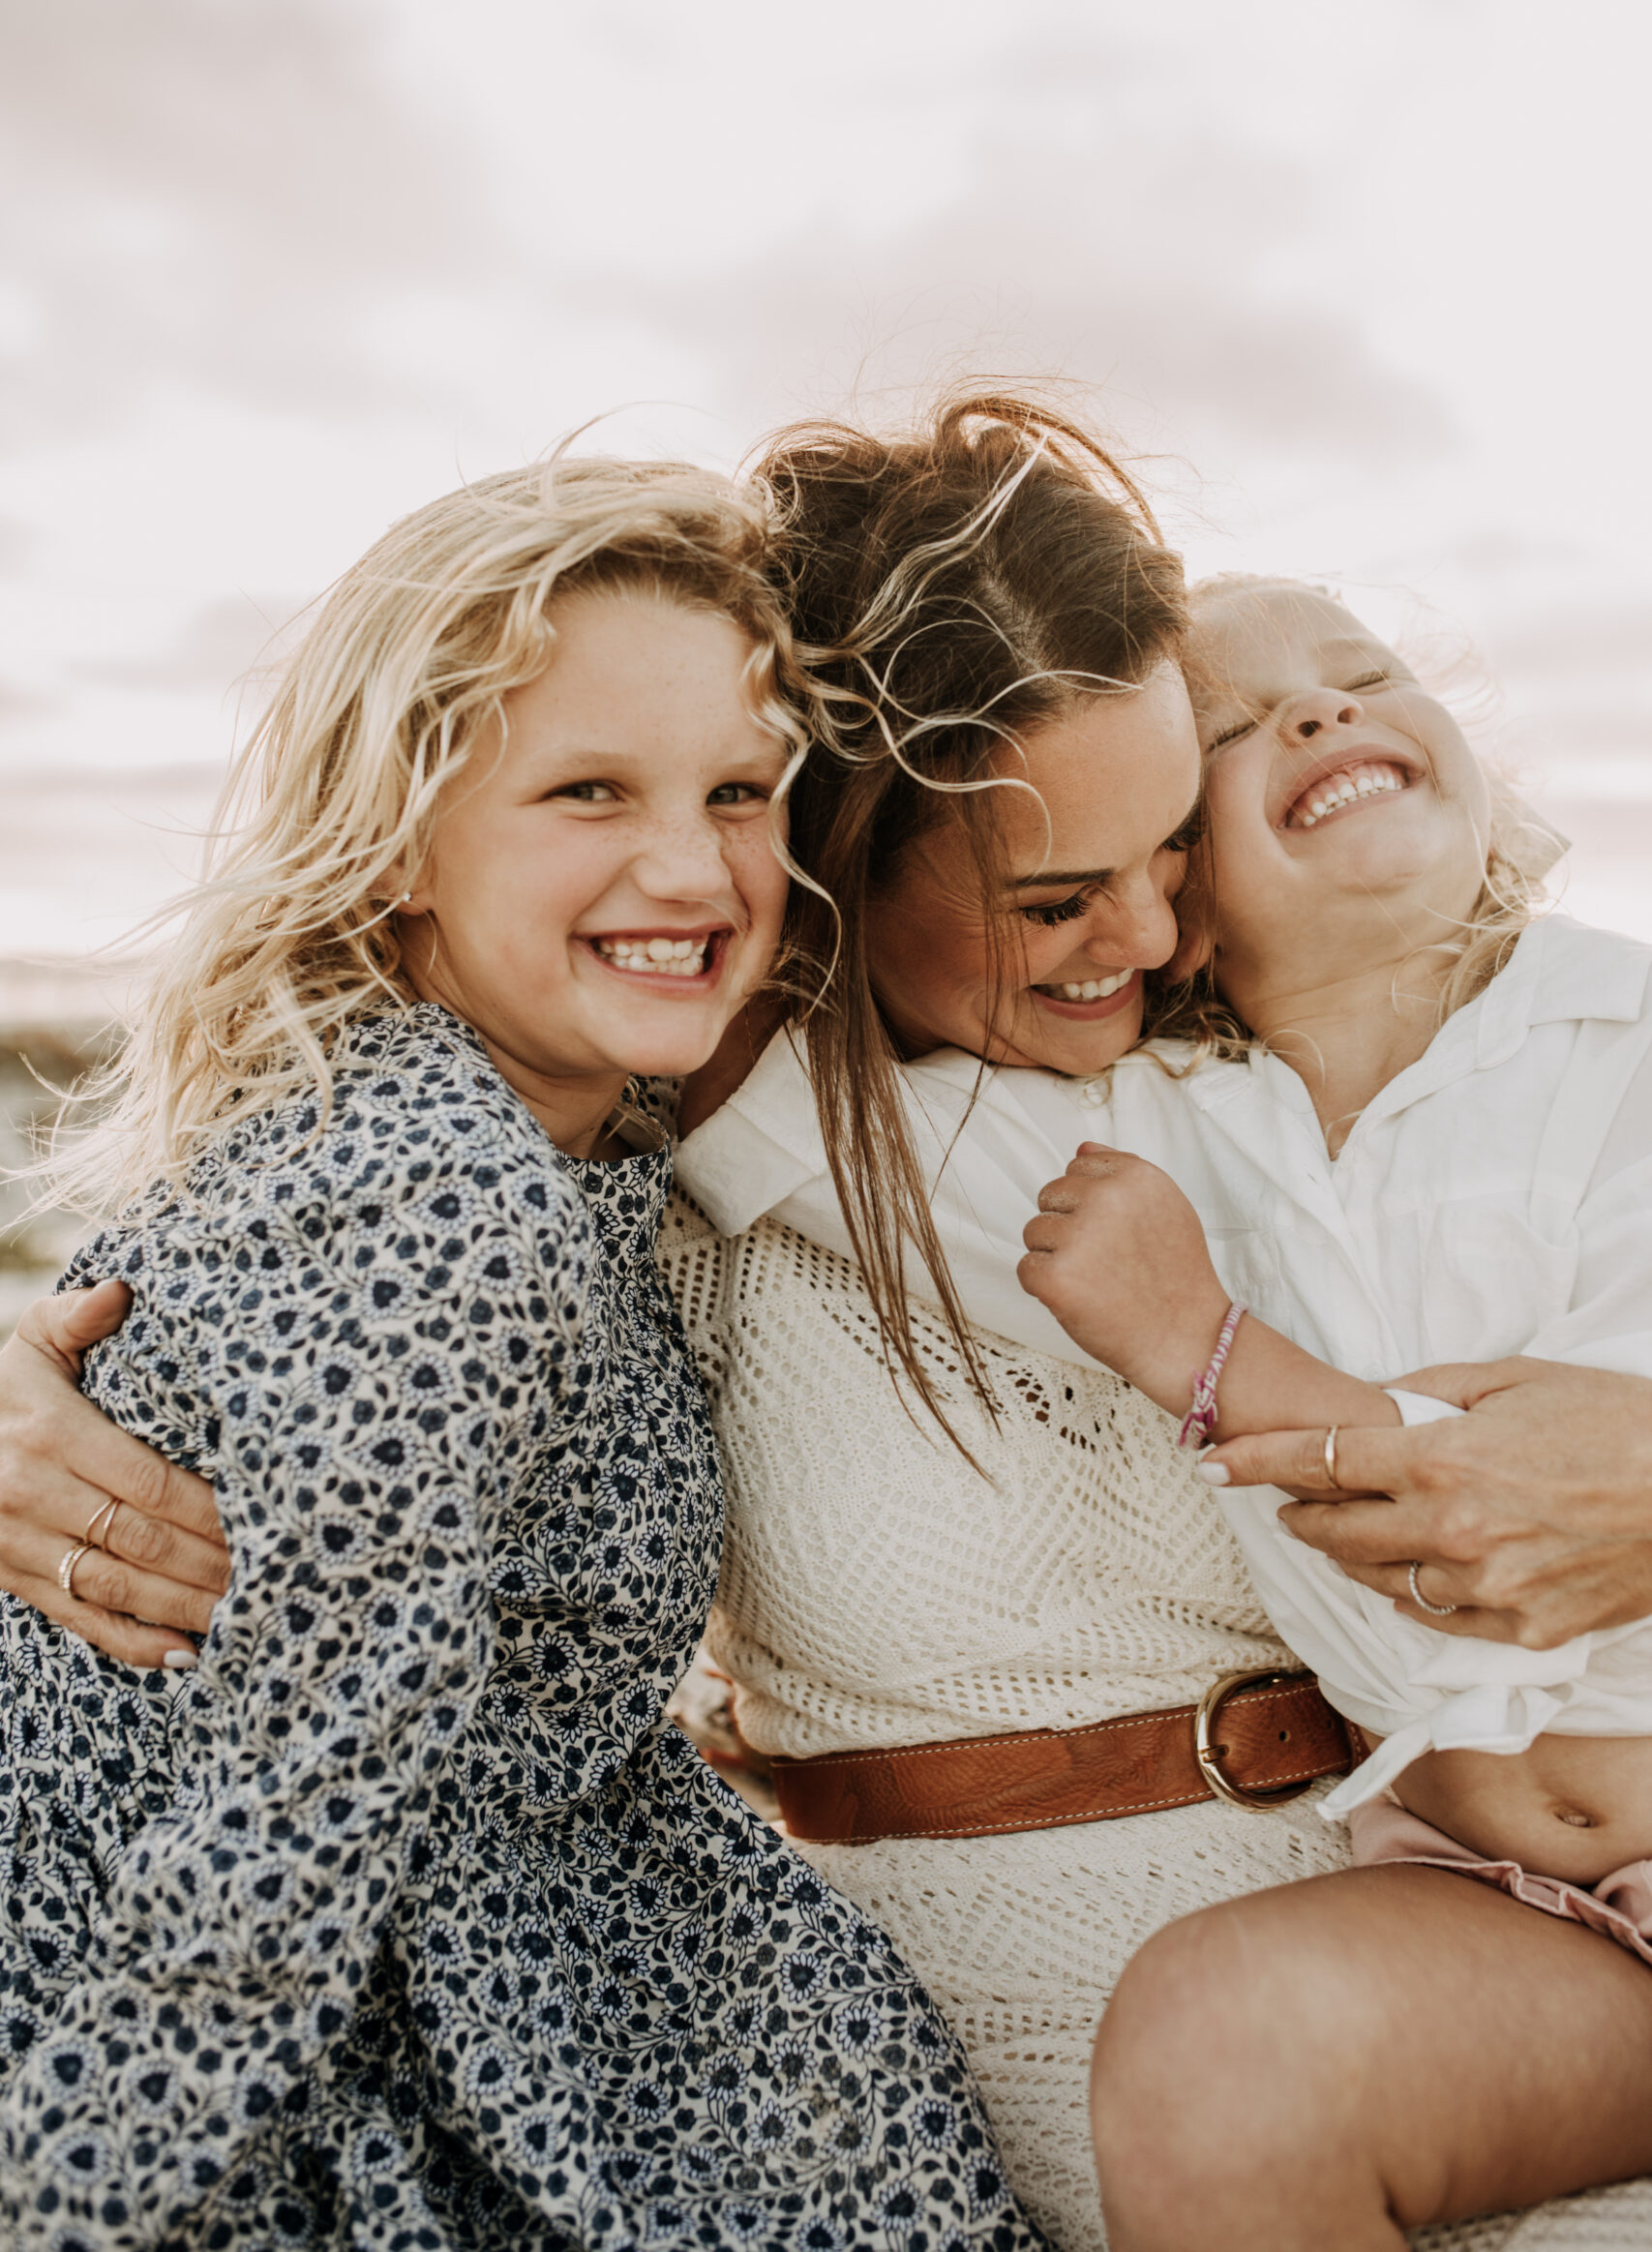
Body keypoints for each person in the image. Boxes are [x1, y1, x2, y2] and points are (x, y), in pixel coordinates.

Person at [3, 392, 1649, 2248]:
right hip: (917, 2058)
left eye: (1173, 849)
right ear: (847, 871)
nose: (1142, 933)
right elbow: (321, 1289)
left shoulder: (1288, 1079)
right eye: (1053, 894)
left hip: (1402, 1974)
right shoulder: (698, 1133)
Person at [0, 454, 1040, 2250]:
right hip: (298, 2040)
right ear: (398, 841)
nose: (692, 863)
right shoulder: (440, 1192)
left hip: (482, 1969)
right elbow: (281, 1829)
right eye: (587, 791)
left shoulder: (559, 1147)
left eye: (740, 789)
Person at [881, 571, 1652, 2244]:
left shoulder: (1624, 1037)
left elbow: (1501, 1521)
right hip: (1514, 1904)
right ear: (1172, 888)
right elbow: (752, 1094)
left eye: (1362, 672)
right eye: (1233, 728)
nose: (1320, 711)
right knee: (1225, 2051)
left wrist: (1200, 1340)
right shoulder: (1139, 1126)